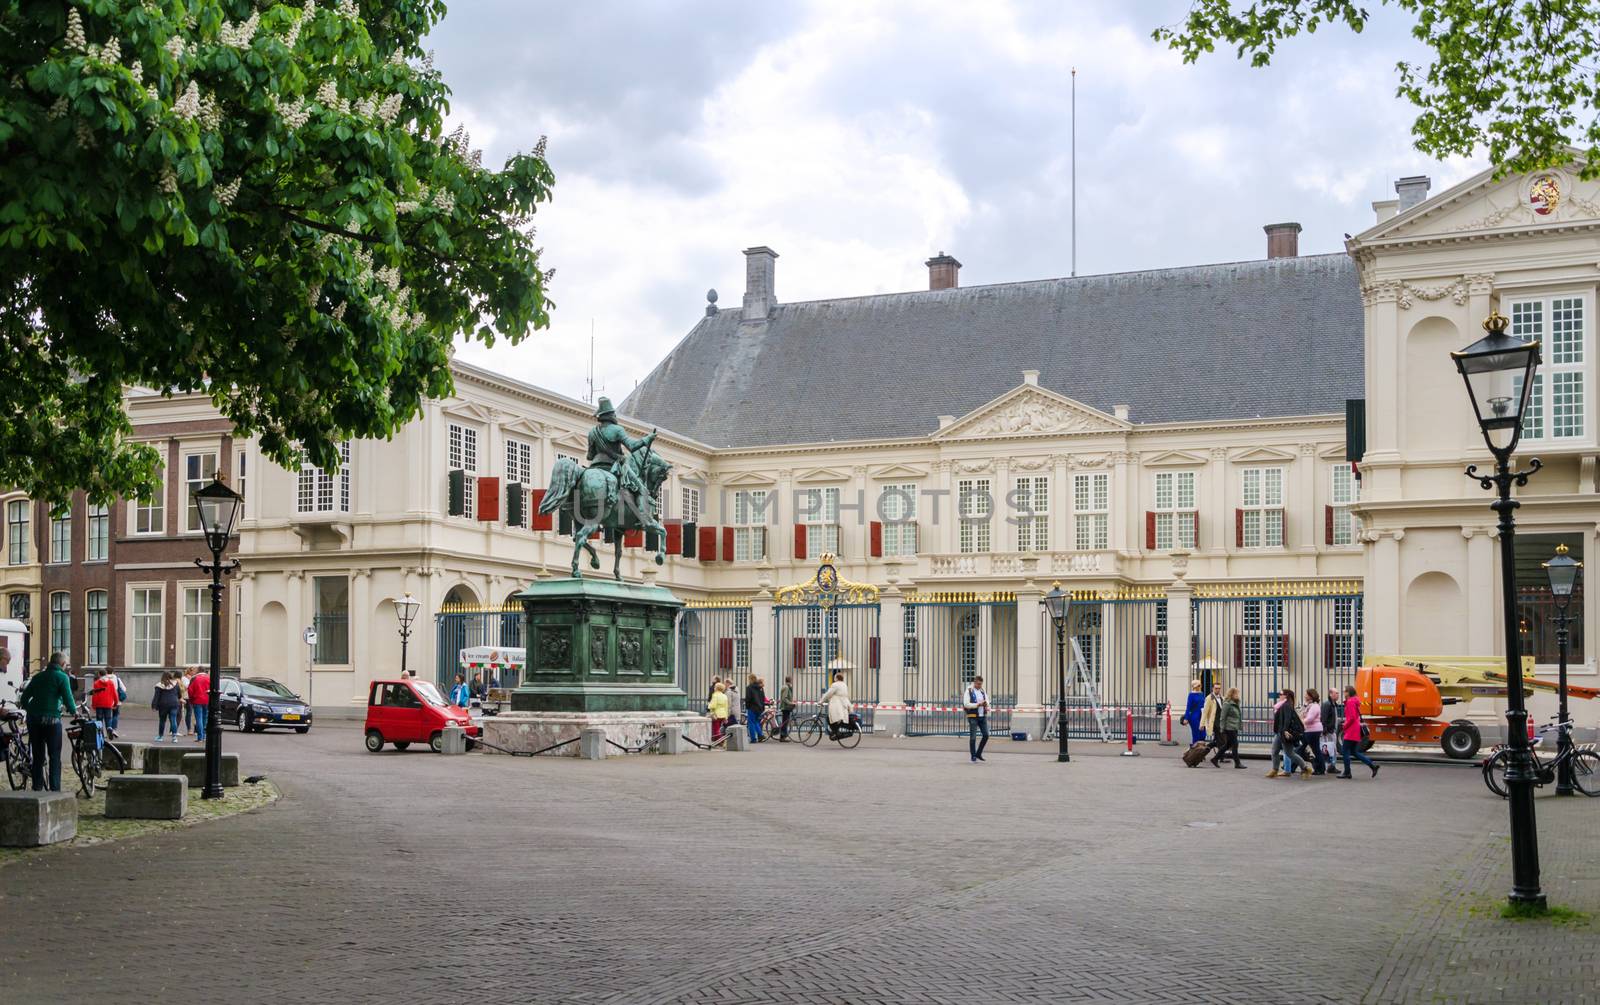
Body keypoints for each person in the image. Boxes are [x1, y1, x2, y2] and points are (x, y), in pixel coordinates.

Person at [19, 652, 75, 792]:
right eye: (66, 664)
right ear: (62, 664)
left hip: (34, 719)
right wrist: (74, 711)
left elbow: (24, 699)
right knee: (54, 756)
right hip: (52, 720)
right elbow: (68, 699)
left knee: (38, 755)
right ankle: (55, 789)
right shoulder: (62, 677)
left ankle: (37, 788)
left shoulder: (37, 677)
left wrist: (31, 709)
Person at [1340, 684, 1380, 779]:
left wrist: (1344, 726)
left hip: (1351, 730)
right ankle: (1372, 765)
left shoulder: (1350, 702)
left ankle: (1347, 772)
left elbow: (1352, 717)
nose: (1343, 693)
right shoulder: (1354, 701)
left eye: (1344, 691)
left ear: (1348, 693)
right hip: (1355, 729)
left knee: (1345, 751)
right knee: (1354, 752)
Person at [1273, 688, 1310, 777]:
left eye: (1281, 694)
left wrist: (1285, 730)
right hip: (1280, 732)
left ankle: (1305, 768)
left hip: (1284, 732)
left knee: (1290, 753)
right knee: (1274, 751)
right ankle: (1275, 770)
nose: (1279, 696)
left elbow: (1288, 719)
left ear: (1286, 696)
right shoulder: (1281, 705)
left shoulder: (1287, 705)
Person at [1210, 687, 1245, 768]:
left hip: (1234, 727)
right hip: (1229, 727)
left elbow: (1238, 716)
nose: (1238, 695)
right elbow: (1222, 717)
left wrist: (1239, 725)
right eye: (1236, 693)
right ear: (1232, 694)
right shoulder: (1227, 703)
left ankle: (1215, 759)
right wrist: (1222, 728)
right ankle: (1237, 763)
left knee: (1227, 745)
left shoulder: (1235, 703)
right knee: (1235, 745)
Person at [1299, 687, 1327, 775]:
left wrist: (1302, 721)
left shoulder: (1315, 706)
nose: (1305, 696)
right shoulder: (1309, 706)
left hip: (1313, 730)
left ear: (1311, 696)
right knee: (1313, 749)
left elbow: (1310, 718)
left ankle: (1320, 769)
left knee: (1315, 750)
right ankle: (1319, 768)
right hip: (1310, 730)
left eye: (1306, 694)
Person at [964, 674, 990, 763]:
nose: (979, 686)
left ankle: (978, 753)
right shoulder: (969, 690)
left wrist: (986, 703)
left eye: (981, 684)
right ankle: (973, 756)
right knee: (973, 737)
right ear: (974, 682)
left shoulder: (982, 690)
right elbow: (966, 704)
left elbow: (987, 700)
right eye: (978, 684)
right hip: (973, 717)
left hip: (982, 716)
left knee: (986, 735)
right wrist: (977, 705)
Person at [152, 670, 182, 742]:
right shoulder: (175, 684)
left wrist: (154, 706)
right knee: (173, 719)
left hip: (163, 705)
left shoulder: (159, 685)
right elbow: (179, 695)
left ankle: (160, 736)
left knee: (162, 720)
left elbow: (156, 697)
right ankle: (174, 737)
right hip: (174, 703)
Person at [821, 671, 851, 739]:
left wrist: (821, 701)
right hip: (844, 704)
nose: (834, 678)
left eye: (835, 677)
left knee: (830, 718)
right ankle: (835, 732)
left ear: (837, 678)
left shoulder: (835, 685)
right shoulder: (844, 684)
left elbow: (828, 694)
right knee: (838, 719)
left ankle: (835, 732)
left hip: (837, 705)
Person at [90, 667, 119, 738]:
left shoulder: (96, 683)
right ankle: (109, 728)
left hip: (99, 704)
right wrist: (116, 702)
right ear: (105, 674)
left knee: (99, 719)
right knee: (108, 718)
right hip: (108, 704)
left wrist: (93, 705)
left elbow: (95, 695)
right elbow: (114, 693)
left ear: (99, 674)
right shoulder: (110, 683)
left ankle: (100, 734)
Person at [1199, 682, 1224, 754]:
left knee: (1217, 740)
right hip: (1215, 722)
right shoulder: (1209, 698)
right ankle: (1220, 757)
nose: (1218, 690)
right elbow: (1205, 712)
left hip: (1221, 722)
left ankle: (1204, 751)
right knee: (1221, 740)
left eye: (1219, 688)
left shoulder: (1222, 697)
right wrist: (1202, 724)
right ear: (1212, 688)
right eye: (1216, 688)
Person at [1180, 679, 1207, 746]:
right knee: (1196, 734)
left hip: (1202, 715)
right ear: (1195, 686)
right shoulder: (1191, 695)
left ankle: (1200, 751)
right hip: (1194, 717)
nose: (1200, 686)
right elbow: (1188, 707)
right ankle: (1195, 752)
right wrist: (1186, 718)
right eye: (1199, 685)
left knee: (1203, 734)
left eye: (1200, 685)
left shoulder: (1201, 694)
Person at [189, 665, 211, 741]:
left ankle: (200, 737)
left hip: (197, 700)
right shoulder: (209, 678)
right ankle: (204, 736)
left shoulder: (194, 678)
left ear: (198, 670)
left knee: (198, 719)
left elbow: (190, 690)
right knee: (205, 718)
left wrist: (191, 700)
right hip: (207, 700)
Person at [1320, 688, 1341, 768]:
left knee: (1332, 749)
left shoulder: (1333, 704)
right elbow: (1323, 718)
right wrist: (1324, 730)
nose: (1338, 695)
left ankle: (1332, 765)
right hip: (1328, 731)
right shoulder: (1327, 704)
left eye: (1338, 693)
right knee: (1329, 749)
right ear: (1330, 694)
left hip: (1332, 731)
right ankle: (1329, 765)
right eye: (1336, 693)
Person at [744, 673, 767, 743]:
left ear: (750, 679)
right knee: (756, 722)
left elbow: (748, 698)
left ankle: (753, 738)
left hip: (752, 707)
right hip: (759, 708)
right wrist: (762, 707)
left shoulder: (749, 687)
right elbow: (763, 698)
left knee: (751, 723)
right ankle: (760, 735)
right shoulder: (760, 687)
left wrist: (747, 706)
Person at [778, 676, 796, 741]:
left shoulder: (786, 687)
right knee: (785, 722)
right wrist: (790, 703)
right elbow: (784, 698)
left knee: (785, 722)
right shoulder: (786, 688)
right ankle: (782, 737)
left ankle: (783, 736)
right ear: (790, 680)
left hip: (785, 707)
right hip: (785, 707)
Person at [180, 666, 196, 736]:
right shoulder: (184, 678)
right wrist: (191, 681)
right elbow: (186, 686)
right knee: (189, 713)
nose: (194, 672)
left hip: (192, 696)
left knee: (192, 713)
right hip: (187, 697)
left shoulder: (192, 678)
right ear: (190, 671)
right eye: (193, 671)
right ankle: (189, 729)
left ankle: (194, 730)